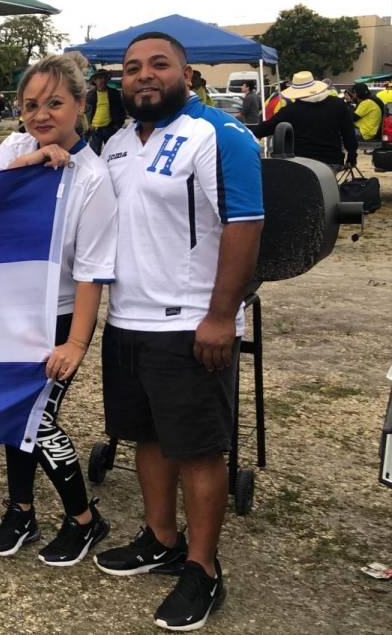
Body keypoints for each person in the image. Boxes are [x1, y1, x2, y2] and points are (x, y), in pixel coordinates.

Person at [92, 32, 263, 632]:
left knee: (198, 448)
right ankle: (162, 538)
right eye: (132, 68)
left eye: (158, 65)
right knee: (148, 437)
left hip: (192, 322)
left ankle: (203, 568)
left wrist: (221, 315)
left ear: (186, 74)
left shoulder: (219, 134)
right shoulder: (115, 144)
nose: (143, 75)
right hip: (127, 319)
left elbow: (244, 227)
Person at [0, 52, 117, 566]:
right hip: (12, 309)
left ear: (81, 104)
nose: (42, 115)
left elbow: (92, 271)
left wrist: (76, 343)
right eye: (31, 104)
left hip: (59, 316)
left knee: (37, 419)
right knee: (19, 415)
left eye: (55, 104)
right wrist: (33, 159)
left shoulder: (93, 178)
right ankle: (20, 509)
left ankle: (84, 519)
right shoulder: (18, 144)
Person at [252, 71, 357, 170]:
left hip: (302, 163)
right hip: (332, 161)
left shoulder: (291, 110)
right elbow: (349, 133)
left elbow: (266, 128)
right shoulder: (338, 104)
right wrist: (352, 157)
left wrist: (245, 131)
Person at [85, 69, 125, 154]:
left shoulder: (114, 93)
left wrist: (117, 125)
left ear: (107, 79)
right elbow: (86, 112)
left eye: (104, 77)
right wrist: (88, 125)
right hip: (95, 130)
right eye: (99, 78)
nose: (102, 80)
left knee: (111, 154)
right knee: (94, 155)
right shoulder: (89, 95)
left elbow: (122, 110)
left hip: (110, 128)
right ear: (94, 81)